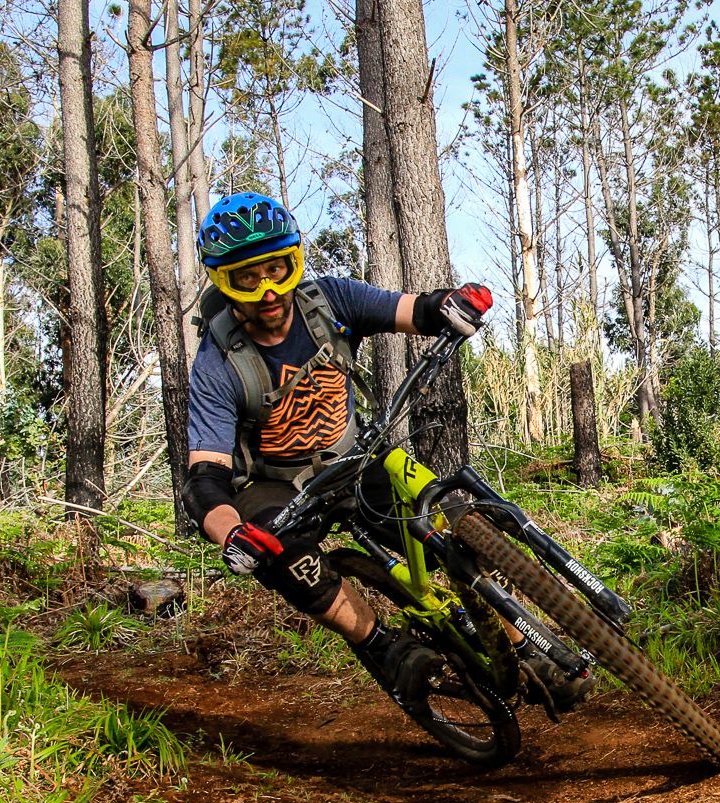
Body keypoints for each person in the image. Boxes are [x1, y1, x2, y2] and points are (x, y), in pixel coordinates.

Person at [182, 191, 588, 719]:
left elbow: (411, 309)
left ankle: (522, 646)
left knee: (449, 533)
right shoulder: (217, 363)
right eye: (246, 279)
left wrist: (451, 303)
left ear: (294, 261)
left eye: (278, 269)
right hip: (278, 486)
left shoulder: (328, 301)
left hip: (353, 458)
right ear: (223, 283)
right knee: (286, 559)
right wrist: (233, 532)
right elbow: (206, 479)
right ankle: (383, 647)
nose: (268, 291)